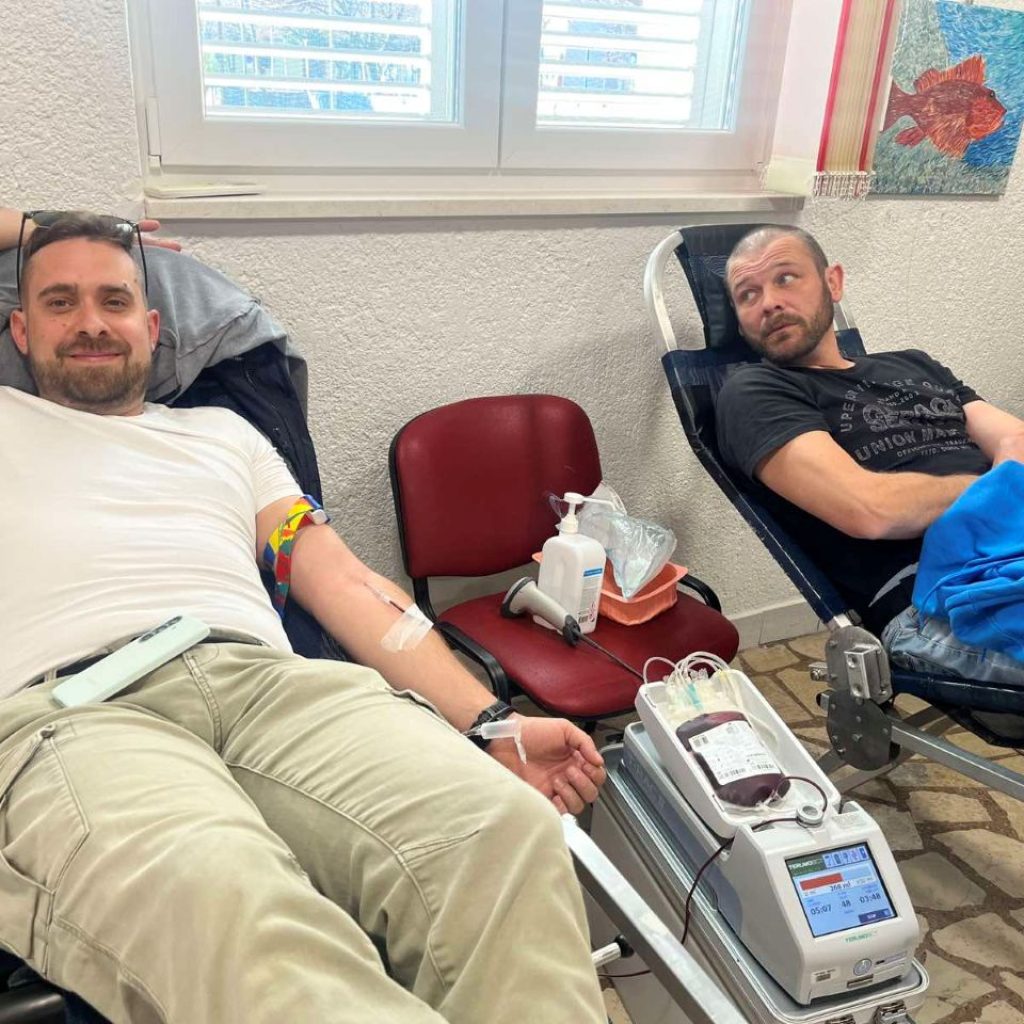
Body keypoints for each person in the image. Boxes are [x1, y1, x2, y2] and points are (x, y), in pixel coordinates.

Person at [0, 211, 609, 1024]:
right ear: (19, 329)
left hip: (266, 687)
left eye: (114, 300)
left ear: (152, 326)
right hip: (76, 712)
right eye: (60, 302)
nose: (90, 323)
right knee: (232, 907)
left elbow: (345, 584)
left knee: (501, 830)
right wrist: (31, 223)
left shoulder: (226, 437)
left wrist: (493, 723)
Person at [715, 224, 1024, 685]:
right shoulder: (755, 393)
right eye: (747, 295)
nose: (769, 303)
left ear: (833, 282)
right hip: (939, 597)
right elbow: (872, 509)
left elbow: (1015, 438)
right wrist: (1003, 486)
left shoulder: (914, 363)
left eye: (786, 278)